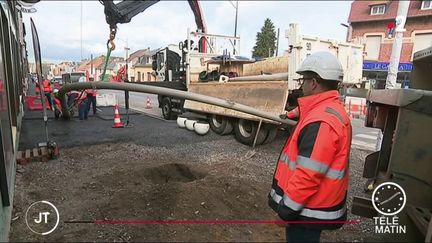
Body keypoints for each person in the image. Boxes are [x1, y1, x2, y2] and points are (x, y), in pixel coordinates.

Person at [268, 52, 352, 243]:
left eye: (303, 80)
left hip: (307, 211)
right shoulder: (329, 108)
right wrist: (289, 115)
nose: (301, 84)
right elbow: (307, 109)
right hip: (312, 205)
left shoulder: (322, 122)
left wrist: (286, 212)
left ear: (314, 82)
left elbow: (308, 174)